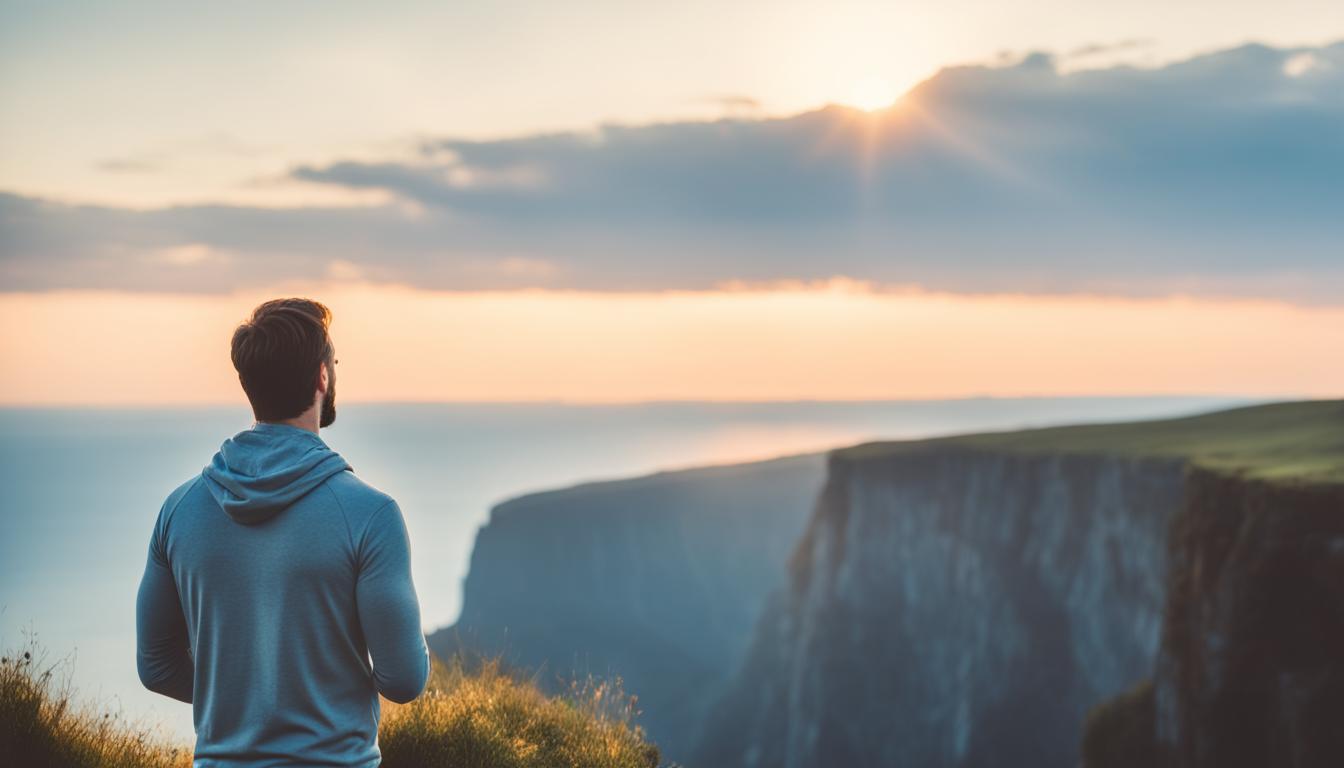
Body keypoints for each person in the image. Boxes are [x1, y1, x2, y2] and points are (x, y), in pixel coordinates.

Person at [135, 298, 429, 767]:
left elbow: (156, 666)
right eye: (333, 362)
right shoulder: (372, 514)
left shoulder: (180, 509)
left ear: (249, 383)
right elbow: (404, 679)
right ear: (322, 377)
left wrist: (242, 699)